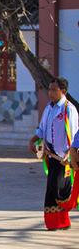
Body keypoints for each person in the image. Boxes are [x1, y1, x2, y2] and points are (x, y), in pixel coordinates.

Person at [29, 77, 78, 230]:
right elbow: (42, 129)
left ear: (63, 91)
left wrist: (71, 155)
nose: (50, 93)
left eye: (54, 90)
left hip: (64, 158)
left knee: (59, 188)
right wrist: (33, 140)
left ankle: (61, 221)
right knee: (54, 188)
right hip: (51, 156)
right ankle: (57, 222)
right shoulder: (49, 108)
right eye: (49, 89)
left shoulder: (69, 109)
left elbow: (74, 133)